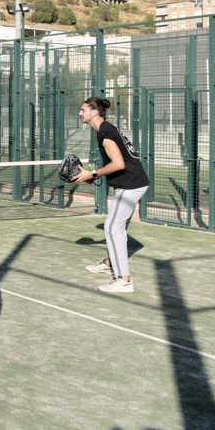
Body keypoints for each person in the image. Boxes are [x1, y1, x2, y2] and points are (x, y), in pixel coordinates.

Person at [73, 96, 149, 294]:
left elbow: (118, 164)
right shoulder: (107, 129)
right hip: (134, 183)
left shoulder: (105, 133)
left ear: (94, 112)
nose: (80, 113)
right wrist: (93, 176)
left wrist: (93, 173)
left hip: (131, 185)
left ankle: (124, 281)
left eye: (83, 110)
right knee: (117, 228)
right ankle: (109, 263)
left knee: (112, 228)